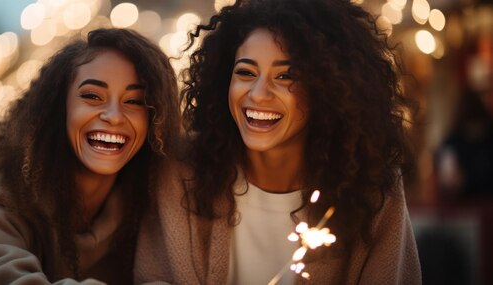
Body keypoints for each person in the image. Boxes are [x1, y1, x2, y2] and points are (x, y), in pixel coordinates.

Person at [135, 0, 421, 284]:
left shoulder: (373, 187)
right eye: (245, 73)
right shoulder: (181, 171)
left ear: (328, 88)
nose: (259, 94)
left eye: (286, 76)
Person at [0, 28, 179, 284]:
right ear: (59, 108)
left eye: (134, 101)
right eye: (92, 96)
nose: (113, 116)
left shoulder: (149, 208)